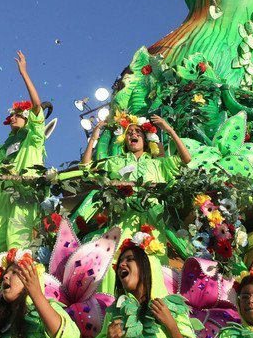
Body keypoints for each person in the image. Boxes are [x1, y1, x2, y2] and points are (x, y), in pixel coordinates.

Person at [80, 114, 192, 294]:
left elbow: (186, 159)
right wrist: (94, 137)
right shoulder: (116, 162)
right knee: (115, 261)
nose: (133, 134)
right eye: (129, 132)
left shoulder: (158, 164)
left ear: (146, 140)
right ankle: (112, 303)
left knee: (153, 263)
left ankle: (155, 307)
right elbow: (86, 168)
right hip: (124, 218)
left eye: (137, 131)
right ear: (124, 141)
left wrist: (169, 130)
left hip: (153, 220)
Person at [0, 51, 48, 254]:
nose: (13, 118)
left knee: (17, 245)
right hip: (1, 199)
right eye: (12, 116)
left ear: (28, 118)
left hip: (24, 195)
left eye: (18, 115)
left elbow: (36, 106)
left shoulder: (33, 138)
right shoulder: (3, 148)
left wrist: (24, 73)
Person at [93, 242, 198, 338]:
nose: (121, 265)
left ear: (146, 267)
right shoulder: (115, 313)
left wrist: (171, 325)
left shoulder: (172, 307)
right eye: (120, 262)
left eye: (130, 259)